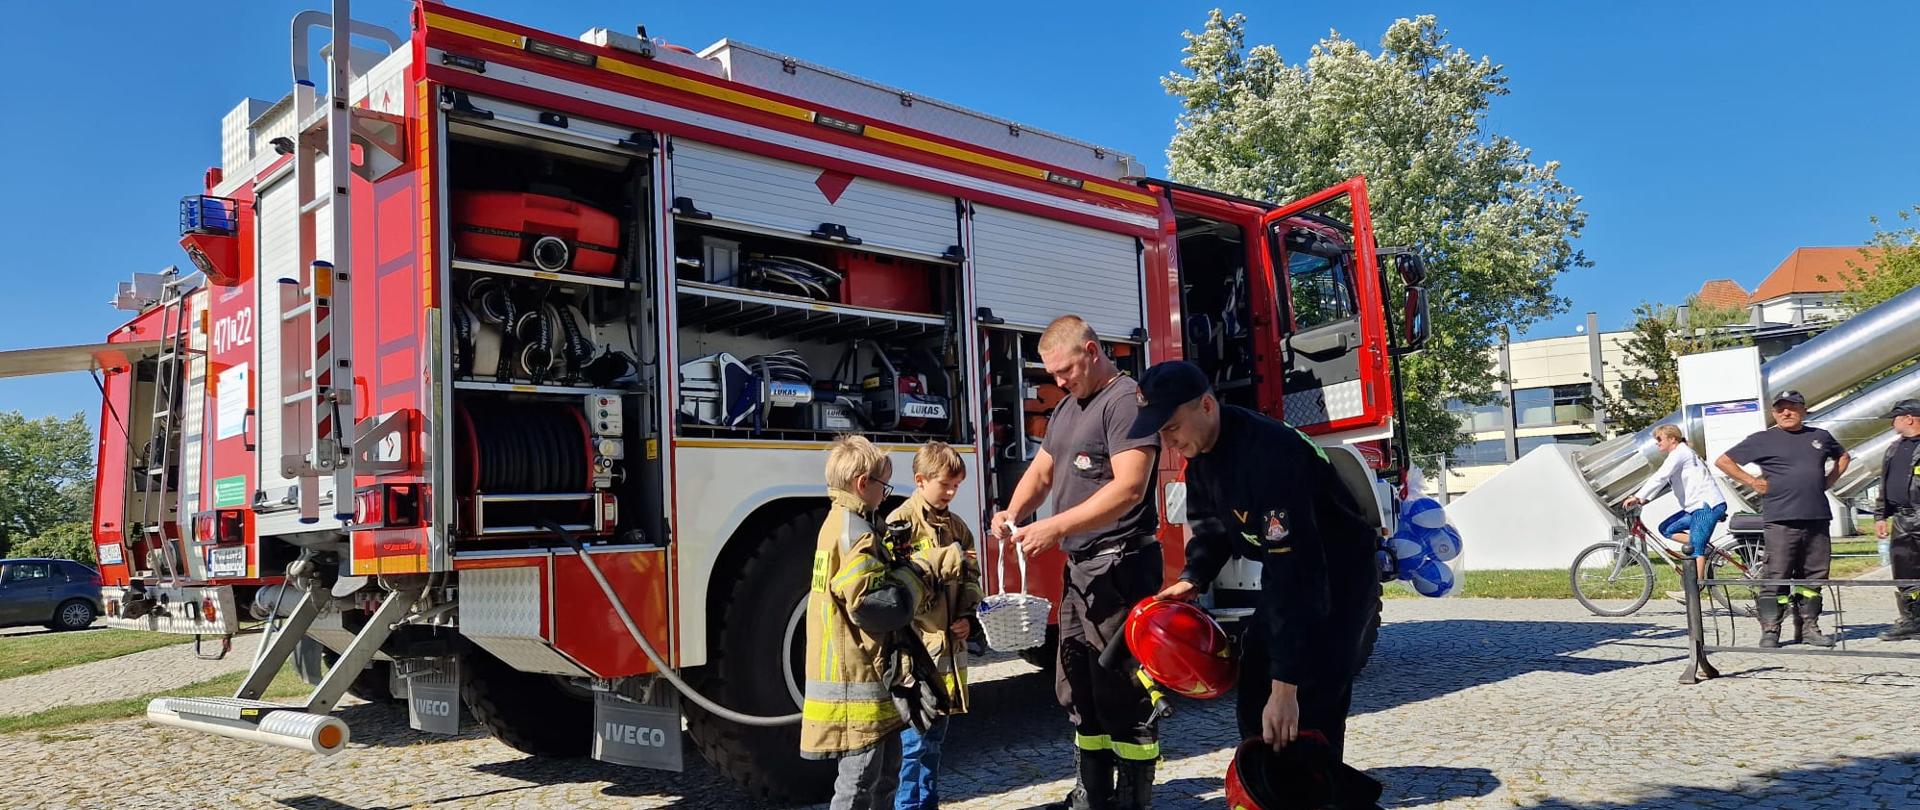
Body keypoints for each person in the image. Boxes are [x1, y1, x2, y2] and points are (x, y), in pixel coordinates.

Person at [1131, 360, 1383, 803]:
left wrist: (1286, 687)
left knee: (1306, 712)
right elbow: (1212, 530)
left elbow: (1297, 577)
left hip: (1335, 577)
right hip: (1288, 575)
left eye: (1171, 427)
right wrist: (1193, 578)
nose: (1167, 442)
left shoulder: (1270, 456)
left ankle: (1319, 794)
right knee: (1253, 697)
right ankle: (1270, 791)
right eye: (1160, 432)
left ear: (1206, 405)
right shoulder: (1201, 457)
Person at [990, 315, 1161, 810]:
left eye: (1065, 371)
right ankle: (1093, 793)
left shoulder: (1125, 401)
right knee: (1077, 686)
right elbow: (1042, 471)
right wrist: (1013, 513)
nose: (1060, 382)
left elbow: (1130, 488)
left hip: (1121, 566)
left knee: (1121, 688)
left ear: (1092, 350)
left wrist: (1056, 526)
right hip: (1083, 569)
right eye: (1052, 375)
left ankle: (1132, 799)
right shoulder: (1067, 407)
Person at [804, 435, 934, 810]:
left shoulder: (844, 524)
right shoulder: (854, 532)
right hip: (855, 681)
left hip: (866, 677)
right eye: (883, 486)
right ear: (863, 483)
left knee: (885, 775)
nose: (885, 495)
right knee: (860, 783)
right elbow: (872, 605)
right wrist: (913, 576)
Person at [1715, 390, 1850, 648]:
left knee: (1813, 577)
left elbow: (1843, 456)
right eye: (1780, 409)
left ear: (1803, 410)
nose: (1786, 412)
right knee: (1776, 576)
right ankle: (1771, 630)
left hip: (1816, 517)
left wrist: (1830, 480)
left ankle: (1808, 628)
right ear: (1774, 413)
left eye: (1792, 407)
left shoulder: (1820, 436)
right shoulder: (1763, 439)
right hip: (1780, 519)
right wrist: (1752, 482)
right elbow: (1724, 461)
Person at [888, 441, 982, 810]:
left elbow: (971, 578)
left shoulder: (957, 527)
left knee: (934, 744)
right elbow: (896, 582)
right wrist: (944, 558)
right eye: (945, 485)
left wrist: (968, 617)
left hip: (947, 656)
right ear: (920, 480)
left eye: (956, 486)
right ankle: (907, 806)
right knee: (912, 745)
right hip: (914, 655)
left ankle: (928, 803)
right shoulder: (900, 524)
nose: (951, 493)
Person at [1623, 424, 1730, 585]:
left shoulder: (1680, 453)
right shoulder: (1679, 454)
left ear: (1672, 439)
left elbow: (1660, 476)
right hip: (1695, 507)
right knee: (1667, 529)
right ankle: (1704, 547)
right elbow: (1663, 481)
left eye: (1659, 439)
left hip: (1706, 506)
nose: (1657, 443)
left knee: (1696, 549)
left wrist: (1637, 497)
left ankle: (1695, 588)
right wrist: (1644, 499)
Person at [1873, 399, 1920, 641]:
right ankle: (1912, 620)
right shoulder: (1894, 448)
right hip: (1902, 519)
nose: (1892, 423)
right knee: (1905, 571)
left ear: (1909, 418)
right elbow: (1885, 484)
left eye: (1895, 418)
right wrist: (1881, 515)